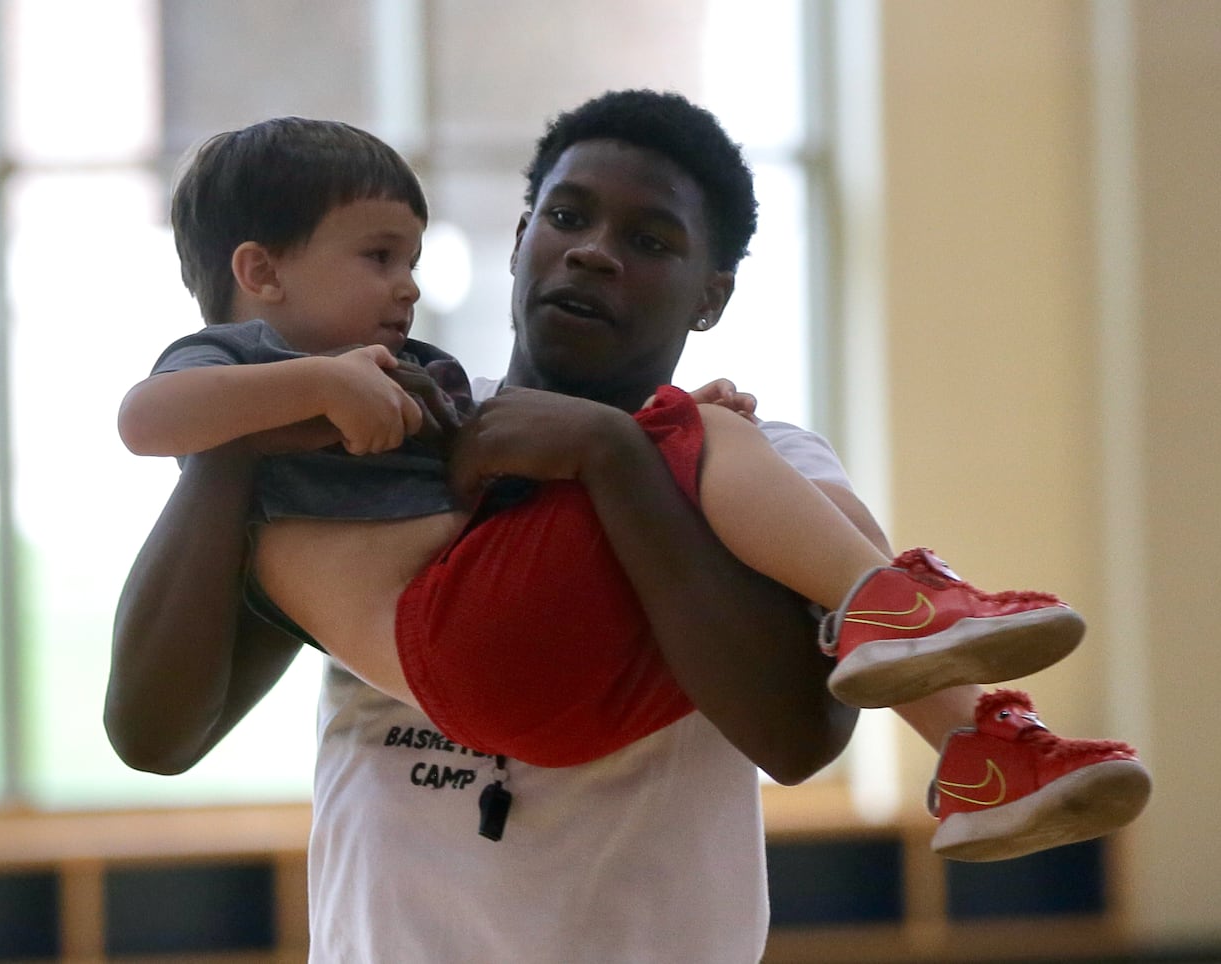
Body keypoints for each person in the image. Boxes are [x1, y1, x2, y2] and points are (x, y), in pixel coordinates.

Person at [106, 91, 1146, 961]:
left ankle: (955, 698)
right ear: (519, 242)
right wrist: (231, 444)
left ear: (712, 295)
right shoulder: (372, 437)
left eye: (648, 240)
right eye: (564, 217)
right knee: (715, 455)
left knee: (755, 468)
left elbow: (797, 736)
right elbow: (153, 735)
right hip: (458, 713)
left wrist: (614, 456)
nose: (593, 255)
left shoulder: (753, 456)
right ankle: (927, 650)